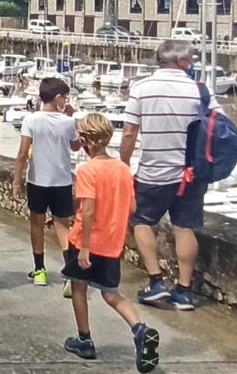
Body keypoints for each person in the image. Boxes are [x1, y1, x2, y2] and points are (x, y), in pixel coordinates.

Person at [120, 40, 220, 311]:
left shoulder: (141, 88)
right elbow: (217, 126)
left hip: (155, 170)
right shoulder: (200, 90)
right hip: (191, 173)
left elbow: (130, 132)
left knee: (141, 220)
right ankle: (184, 291)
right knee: (184, 228)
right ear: (182, 62)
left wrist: (124, 164)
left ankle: (155, 282)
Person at [63, 114, 160, 372]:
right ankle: (139, 329)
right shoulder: (123, 169)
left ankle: (84, 339)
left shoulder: (87, 170)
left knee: (79, 288)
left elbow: (88, 209)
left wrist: (83, 247)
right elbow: (132, 206)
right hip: (112, 244)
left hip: (87, 242)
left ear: (86, 141)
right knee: (111, 294)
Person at [12, 77, 82, 290]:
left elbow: (23, 153)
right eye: (65, 97)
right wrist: (71, 118)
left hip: (37, 180)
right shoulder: (68, 122)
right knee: (62, 226)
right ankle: (70, 273)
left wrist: (16, 181)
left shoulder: (31, 120)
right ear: (59, 98)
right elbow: (77, 146)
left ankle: (40, 270)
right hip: (61, 181)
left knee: (36, 224)